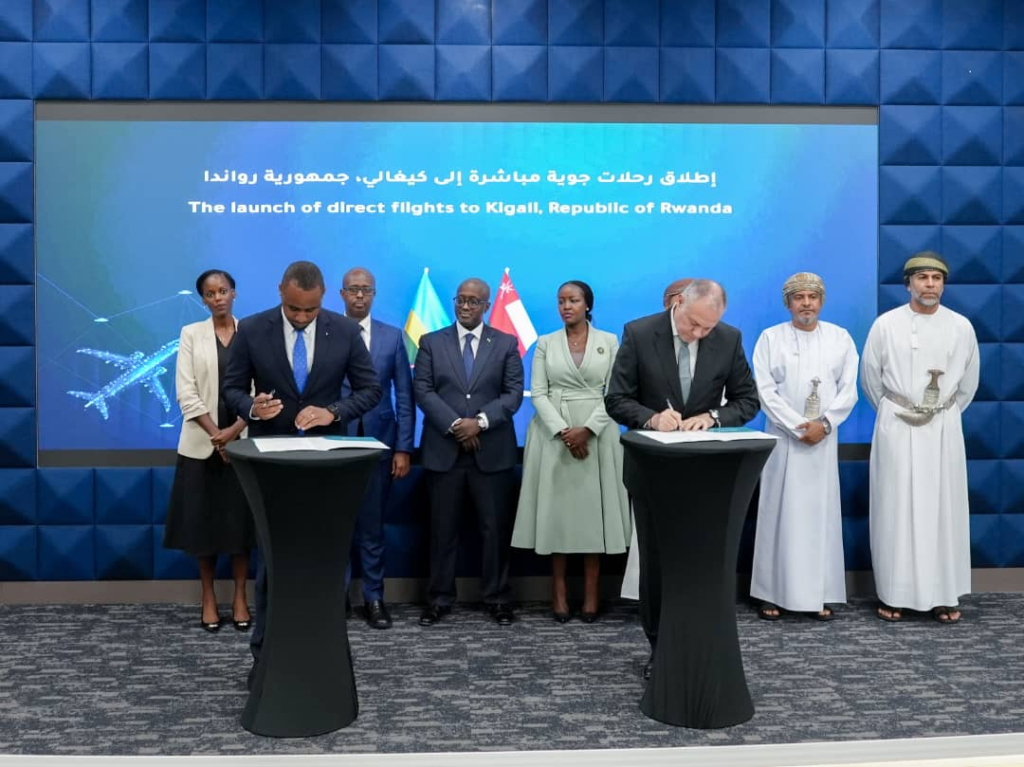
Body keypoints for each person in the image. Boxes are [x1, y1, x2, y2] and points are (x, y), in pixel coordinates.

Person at [222, 260, 381, 681]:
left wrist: (333, 412)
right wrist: (251, 407)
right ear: (281, 291)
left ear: (323, 297)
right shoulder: (252, 329)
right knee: (272, 564)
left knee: (324, 562)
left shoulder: (344, 331)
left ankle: (321, 657)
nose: (301, 317)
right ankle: (265, 658)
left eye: (310, 310)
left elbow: (370, 390)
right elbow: (231, 389)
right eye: (294, 308)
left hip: (326, 468)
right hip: (271, 467)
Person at [605, 279, 759, 679]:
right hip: (652, 469)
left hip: (707, 473)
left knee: (702, 563)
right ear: (678, 304)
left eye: (708, 327)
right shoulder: (640, 333)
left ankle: (701, 644)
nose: (699, 334)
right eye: (693, 324)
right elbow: (616, 399)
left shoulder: (728, 338)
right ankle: (660, 647)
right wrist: (651, 418)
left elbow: (748, 401)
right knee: (658, 564)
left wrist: (713, 417)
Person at [861, 252, 979, 624]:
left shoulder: (961, 326)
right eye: (922, 278)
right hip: (896, 425)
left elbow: (968, 383)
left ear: (943, 284)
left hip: (943, 426)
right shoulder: (886, 325)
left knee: (944, 508)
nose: (930, 284)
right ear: (908, 284)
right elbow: (871, 380)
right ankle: (893, 593)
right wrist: (899, 409)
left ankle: (943, 595)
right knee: (895, 507)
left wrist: (939, 414)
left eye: (936, 278)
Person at [511, 281, 630, 622]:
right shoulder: (546, 343)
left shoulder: (610, 341)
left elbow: (615, 392)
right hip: (554, 436)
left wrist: (588, 430)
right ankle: (559, 591)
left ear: (587, 305)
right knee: (558, 516)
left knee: (592, 515)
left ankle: (592, 592)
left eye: (573, 300)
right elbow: (538, 392)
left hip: (597, 433)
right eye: (561, 301)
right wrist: (565, 432)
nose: (566, 306)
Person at [414, 278, 524, 626]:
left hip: (492, 453)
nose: (465, 306)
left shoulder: (506, 343)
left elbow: (513, 394)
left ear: (486, 306)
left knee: (495, 531)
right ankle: (439, 599)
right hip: (443, 452)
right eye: (460, 299)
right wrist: (456, 425)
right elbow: (423, 390)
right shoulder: (431, 342)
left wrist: (480, 422)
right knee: (441, 532)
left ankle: (497, 598)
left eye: (473, 301)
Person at [750, 273, 859, 621]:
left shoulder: (840, 338)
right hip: (784, 441)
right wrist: (798, 427)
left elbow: (849, 390)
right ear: (788, 303)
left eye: (812, 297)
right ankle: (771, 593)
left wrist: (824, 425)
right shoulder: (771, 338)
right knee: (778, 515)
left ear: (821, 301)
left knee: (818, 518)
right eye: (799, 298)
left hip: (822, 441)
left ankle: (818, 593)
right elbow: (765, 391)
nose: (806, 303)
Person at [164, 269, 255, 633]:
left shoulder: (251, 332)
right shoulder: (191, 334)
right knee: (203, 526)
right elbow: (186, 393)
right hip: (201, 446)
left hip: (242, 445)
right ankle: (207, 597)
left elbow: (259, 390)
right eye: (210, 293)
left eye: (223, 291)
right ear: (203, 299)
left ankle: (240, 597)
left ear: (234, 293)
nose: (218, 298)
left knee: (241, 526)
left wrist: (234, 433)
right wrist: (218, 436)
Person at [338, 267, 414, 630]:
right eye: (353, 289)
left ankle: (374, 598)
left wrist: (403, 448)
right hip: (334, 442)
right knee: (336, 526)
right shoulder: (326, 332)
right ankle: (336, 596)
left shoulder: (392, 337)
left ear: (374, 294)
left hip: (380, 445)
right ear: (341, 294)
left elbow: (405, 397)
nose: (359, 296)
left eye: (366, 290)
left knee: (372, 528)